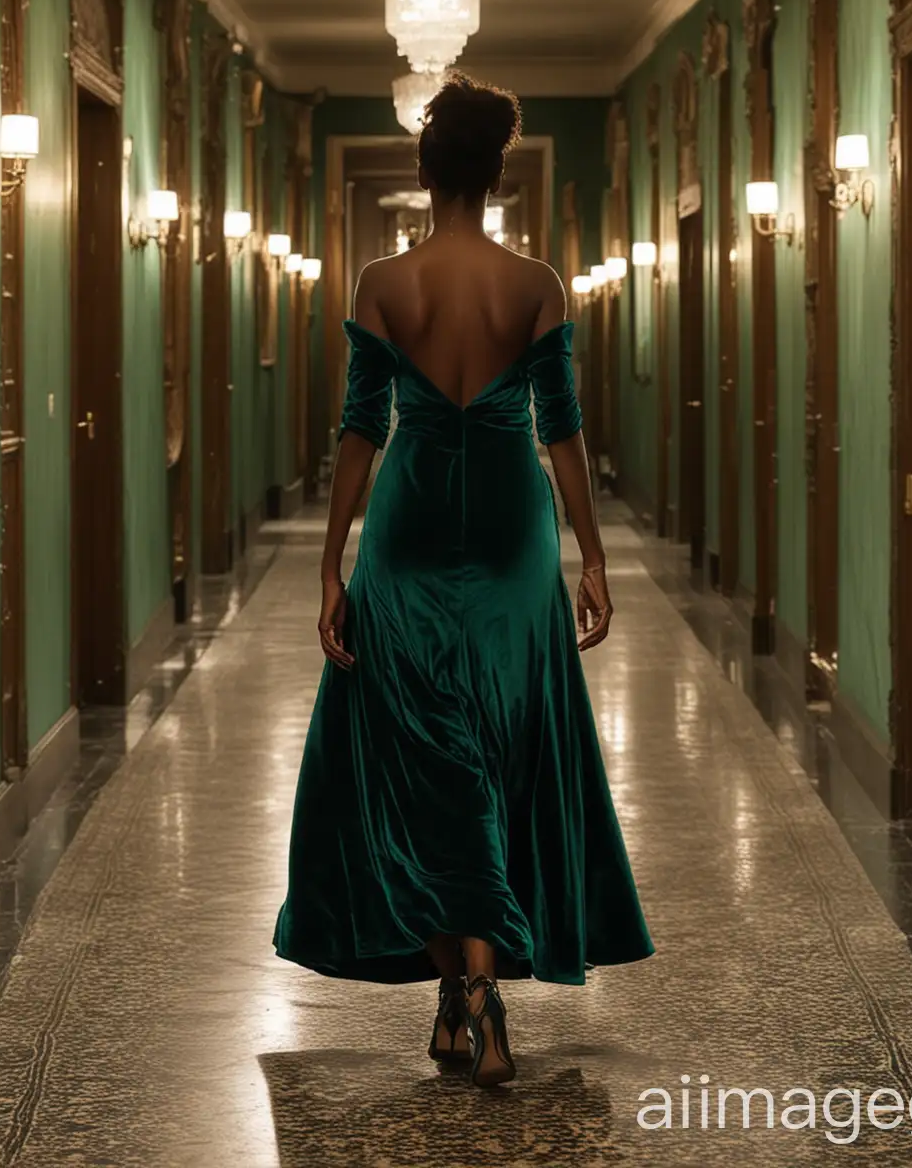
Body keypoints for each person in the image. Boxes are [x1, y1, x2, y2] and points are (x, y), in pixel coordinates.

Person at [272, 73, 654, 1089]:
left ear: (424, 169)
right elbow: (562, 431)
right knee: (497, 742)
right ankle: (475, 994)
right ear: (495, 176)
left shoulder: (381, 282)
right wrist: (592, 554)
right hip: (510, 535)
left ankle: (465, 992)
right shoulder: (536, 283)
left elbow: (361, 431)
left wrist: (331, 559)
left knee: (422, 748)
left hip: (407, 526)